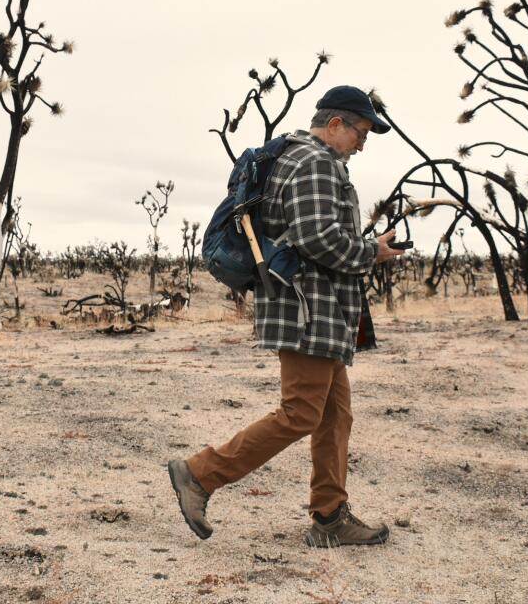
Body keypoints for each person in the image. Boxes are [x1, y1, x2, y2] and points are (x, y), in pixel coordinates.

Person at [168, 85, 405, 548]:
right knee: (300, 413)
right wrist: (370, 252)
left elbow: (310, 234)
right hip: (308, 307)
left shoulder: (298, 158)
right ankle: (199, 474)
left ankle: (331, 516)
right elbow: (319, 239)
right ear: (335, 124)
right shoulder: (315, 162)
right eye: (361, 133)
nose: (362, 143)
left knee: (335, 416)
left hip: (315, 307)